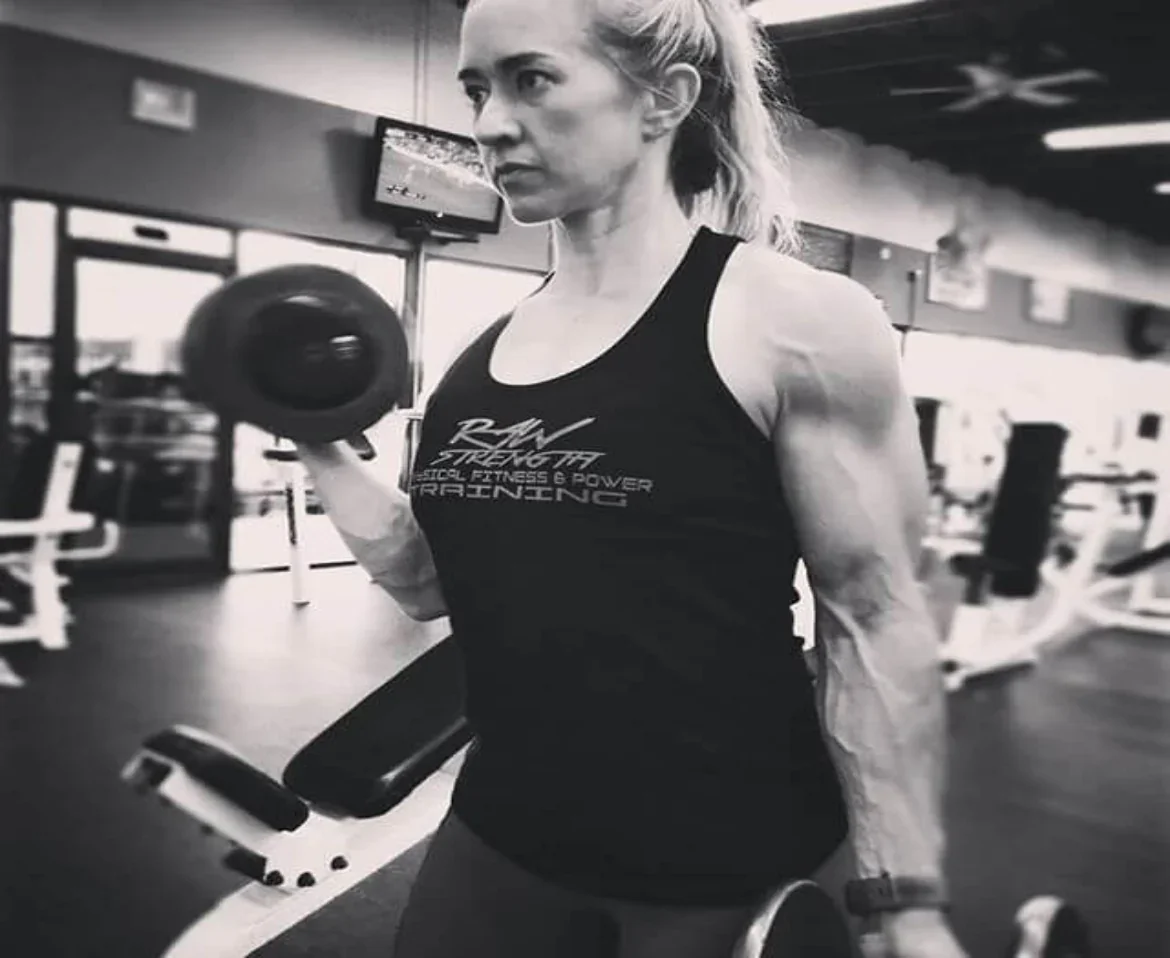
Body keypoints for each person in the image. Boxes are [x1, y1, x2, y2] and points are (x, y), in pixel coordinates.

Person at [298, 0, 967, 955]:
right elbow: (432, 584)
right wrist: (317, 440)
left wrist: (900, 900)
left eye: (531, 79)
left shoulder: (795, 321)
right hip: (501, 834)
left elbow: (875, 621)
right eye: (477, 89)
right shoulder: (482, 353)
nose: (489, 123)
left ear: (665, 100)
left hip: (720, 858)